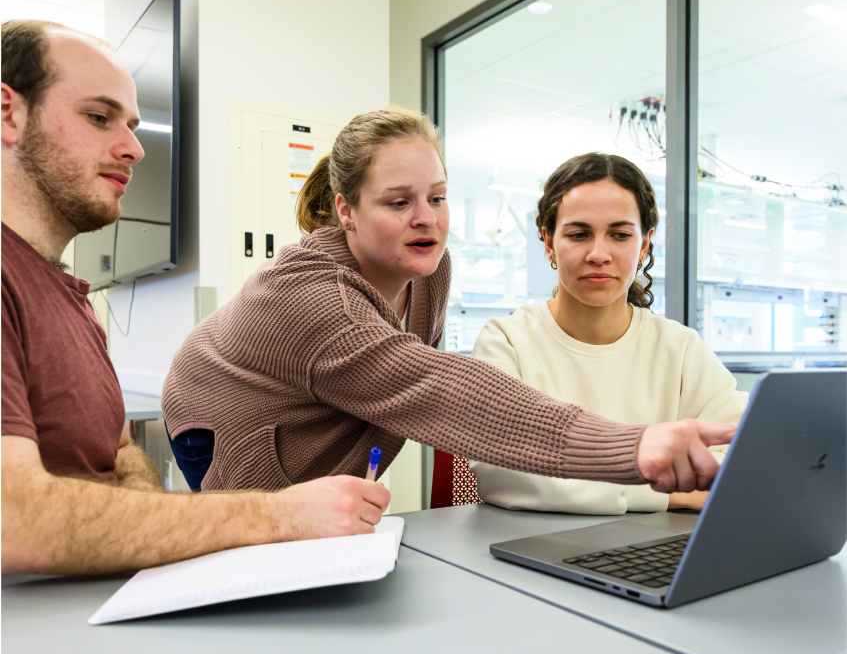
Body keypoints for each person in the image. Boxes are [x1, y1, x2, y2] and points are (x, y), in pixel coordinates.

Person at [162, 108, 735, 499]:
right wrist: (635, 446)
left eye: (436, 197)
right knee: (259, 557)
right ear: (345, 210)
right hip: (222, 423)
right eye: (398, 201)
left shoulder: (429, 269)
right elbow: (436, 393)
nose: (426, 218)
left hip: (316, 417)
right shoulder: (314, 300)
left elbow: (383, 398)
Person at [0, 20, 389, 576]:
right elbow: (15, 521)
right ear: (9, 113)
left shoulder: (72, 301)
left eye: (132, 125)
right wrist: (277, 516)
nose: (134, 148)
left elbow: (118, 453)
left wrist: (148, 528)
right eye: (98, 117)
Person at [470, 153, 747, 514]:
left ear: (644, 244)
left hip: (655, 549)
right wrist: (664, 493)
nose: (598, 254)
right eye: (579, 234)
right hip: (535, 546)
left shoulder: (680, 349)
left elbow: (741, 453)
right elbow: (506, 469)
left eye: (619, 234)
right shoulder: (507, 341)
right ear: (549, 241)